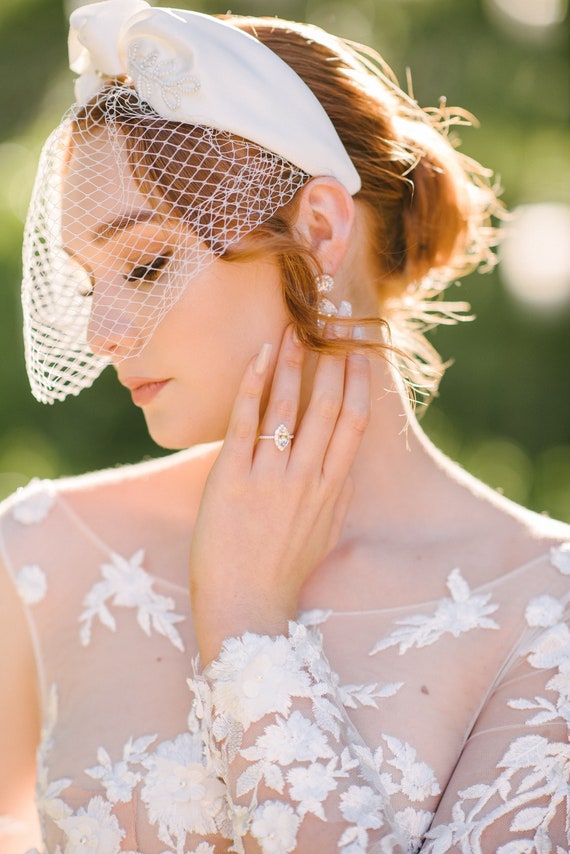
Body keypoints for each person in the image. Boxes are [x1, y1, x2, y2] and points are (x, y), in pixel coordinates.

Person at [0, 1, 568, 851]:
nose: (101, 332)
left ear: (319, 229)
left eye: (146, 262)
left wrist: (246, 619)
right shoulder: (43, 554)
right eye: (90, 284)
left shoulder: (547, 608)